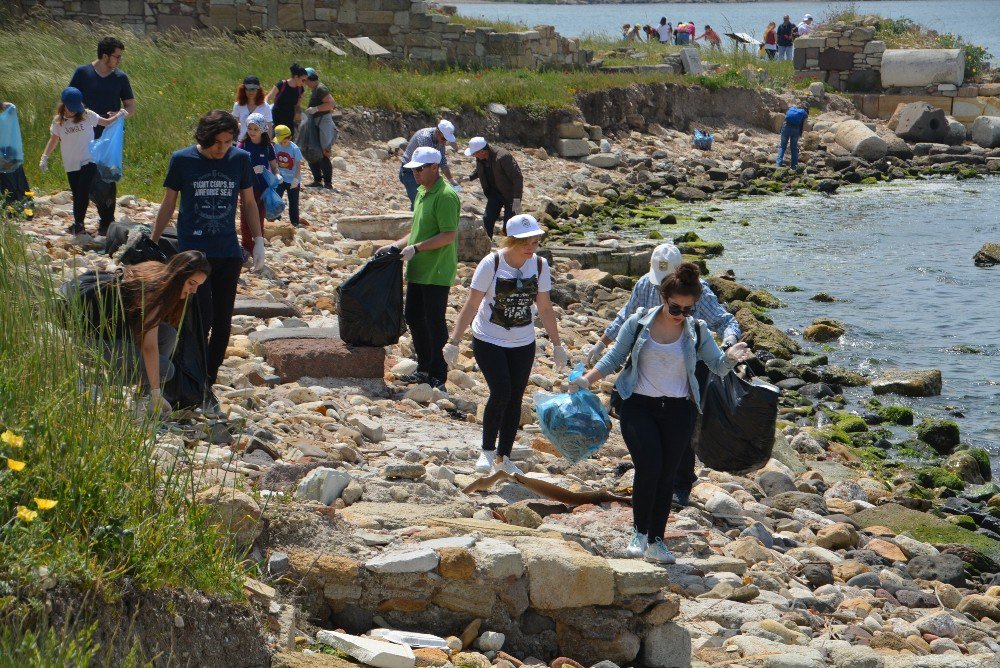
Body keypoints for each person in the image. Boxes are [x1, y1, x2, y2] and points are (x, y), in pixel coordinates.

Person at [573, 263, 753, 564]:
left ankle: (657, 540)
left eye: (687, 309)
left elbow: (718, 366)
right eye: (674, 307)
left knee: (667, 476)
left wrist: (731, 358)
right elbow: (615, 357)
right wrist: (586, 380)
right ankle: (639, 533)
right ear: (662, 297)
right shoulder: (639, 322)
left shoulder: (697, 330)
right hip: (638, 406)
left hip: (679, 411)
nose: (680, 314)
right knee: (649, 468)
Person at [585, 242, 742, 506]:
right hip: (645, 362)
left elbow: (726, 321)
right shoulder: (645, 285)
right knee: (630, 413)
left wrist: (728, 347)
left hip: (690, 363)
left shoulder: (696, 294)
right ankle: (651, 476)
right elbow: (625, 318)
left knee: (683, 426)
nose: (659, 289)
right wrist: (602, 343)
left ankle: (680, 483)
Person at [150, 109, 266, 415]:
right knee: (199, 319)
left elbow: (249, 202)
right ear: (204, 138)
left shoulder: (239, 159)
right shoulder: (182, 160)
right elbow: (168, 204)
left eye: (228, 142)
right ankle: (194, 377)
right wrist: (152, 241)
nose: (222, 148)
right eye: (217, 142)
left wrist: (258, 242)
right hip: (194, 255)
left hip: (227, 252)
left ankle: (208, 379)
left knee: (223, 320)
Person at [444, 214, 567, 475]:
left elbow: (544, 307)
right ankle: (487, 451)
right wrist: (454, 340)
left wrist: (557, 345)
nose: (531, 244)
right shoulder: (493, 263)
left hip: (523, 341)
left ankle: (504, 457)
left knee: (515, 398)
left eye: (534, 238)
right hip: (489, 338)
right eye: (524, 240)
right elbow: (472, 303)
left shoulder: (541, 265)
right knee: (501, 392)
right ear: (510, 239)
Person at [377, 147, 460, 391]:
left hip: (436, 269)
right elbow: (416, 230)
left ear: (435, 167)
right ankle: (424, 367)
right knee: (414, 316)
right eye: (412, 169)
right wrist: (396, 245)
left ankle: (438, 373)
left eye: (420, 169)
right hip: (418, 267)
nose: (415, 174)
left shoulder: (445, 195)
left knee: (434, 320)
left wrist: (417, 249)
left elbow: (448, 235)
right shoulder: (423, 192)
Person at [96, 251, 211, 415]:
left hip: (113, 333)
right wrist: (158, 392)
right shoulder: (154, 290)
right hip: (92, 342)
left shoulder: (158, 271)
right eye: (191, 283)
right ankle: (92, 381)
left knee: (168, 335)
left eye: (198, 286)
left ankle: (144, 397)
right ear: (179, 276)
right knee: (165, 370)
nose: (193, 291)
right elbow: (149, 347)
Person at [68, 36, 136, 237]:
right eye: (117, 57)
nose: (119, 61)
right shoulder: (82, 73)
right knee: (81, 180)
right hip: (83, 136)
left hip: (109, 137)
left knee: (107, 177)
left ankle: (107, 221)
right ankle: (78, 222)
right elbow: (70, 100)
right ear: (104, 56)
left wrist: (121, 114)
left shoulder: (120, 78)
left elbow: (130, 105)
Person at [39, 87, 125, 238]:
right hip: (71, 163)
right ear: (64, 104)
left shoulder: (87, 115)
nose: (73, 111)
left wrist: (119, 115)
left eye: (75, 108)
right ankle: (78, 224)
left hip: (88, 159)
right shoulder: (58, 122)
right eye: (70, 108)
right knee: (77, 193)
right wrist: (44, 156)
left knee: (83, 190)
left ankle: (78, 225)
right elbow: (53, 140)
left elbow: (105, 122)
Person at [236, 112, 278, 255]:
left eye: (256, 129)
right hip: (247, 187)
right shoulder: (243, 145)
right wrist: (251, 170)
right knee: (245, 216)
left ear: (262, 130)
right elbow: (238, 166)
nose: (252, 132)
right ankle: (247, 245)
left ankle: (257, 244)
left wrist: (277, 175)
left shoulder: (267, 146)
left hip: (263, 187)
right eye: (250, 128)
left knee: (260, 215)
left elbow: (273, 165)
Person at [465, 136, 523, 238]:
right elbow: (479, 170)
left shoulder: (503, 156)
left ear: (483, 151)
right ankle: (486, 247)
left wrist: (517, 199)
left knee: (510, 226)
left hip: (511, 196)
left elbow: (517, 177)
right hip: (494, 195)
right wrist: (469, 177)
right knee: (487, 220)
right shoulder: (480, 158)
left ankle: (511, 250)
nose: (474, 156)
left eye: (474, 153)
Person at [399, 120, 459, 209]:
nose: (444, 142)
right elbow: (429, 163)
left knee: (427, 201)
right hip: (409, 172)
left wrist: (451, 180)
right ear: (438, 132)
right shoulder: (425, 137)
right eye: (444, 139)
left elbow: (442, 161)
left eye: (446, 140)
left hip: (423, 170)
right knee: (419, 203)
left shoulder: (440, 140)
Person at [302, 67, 337, 190]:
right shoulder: (316, 89)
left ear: (310, 79)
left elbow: (331, 103)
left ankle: (327, 182)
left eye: (305, 80)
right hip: (316, 122)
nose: (304, 83)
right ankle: (317, 180)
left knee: (323, 152)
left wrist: (315, 109)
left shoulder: (321, 88)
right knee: (312, 149)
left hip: (324, 122)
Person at [273, 124, 303, 227]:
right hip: (281, 179)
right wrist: (276, 174)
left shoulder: (294, 148)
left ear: (290, 138)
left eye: (284, 141)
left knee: (293, 202)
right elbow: (274, 161)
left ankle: (294, 222)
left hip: (293, 180)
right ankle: (276, 218)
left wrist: (296, 179)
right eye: (280, 141)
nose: (282, 143)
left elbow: (299, 165)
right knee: (277, 199)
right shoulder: (276, 145)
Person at [266, 63, 307, 135]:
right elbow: (268, 97)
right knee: (276, 139)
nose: (304, 83)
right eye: (303, 80)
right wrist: (264, 108)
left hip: (290, 118)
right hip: (277, 117)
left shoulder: (301, 89)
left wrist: (298, 113)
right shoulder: (282, 84)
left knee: (288, 140)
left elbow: (297, 105)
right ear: (296, 77)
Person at [233, 75, 273, 142]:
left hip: (259, 144)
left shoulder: (265, 106)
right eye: (248, 89)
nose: (251, 92)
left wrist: (269, 143)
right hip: (242, 143)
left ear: (258, 90)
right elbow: (234, 125)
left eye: (253, 89)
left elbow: (269, 127)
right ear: (243, 90)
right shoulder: (238, 105)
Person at [777, 101, 809, 169]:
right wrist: (800, 134)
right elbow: (803, 125)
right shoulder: (804, 113)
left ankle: (778, 164)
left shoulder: (792, 108)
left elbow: (785, 118)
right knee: (794, 148)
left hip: (786, 127)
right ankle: (794, 165)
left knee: (782, 146)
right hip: (795, 129)